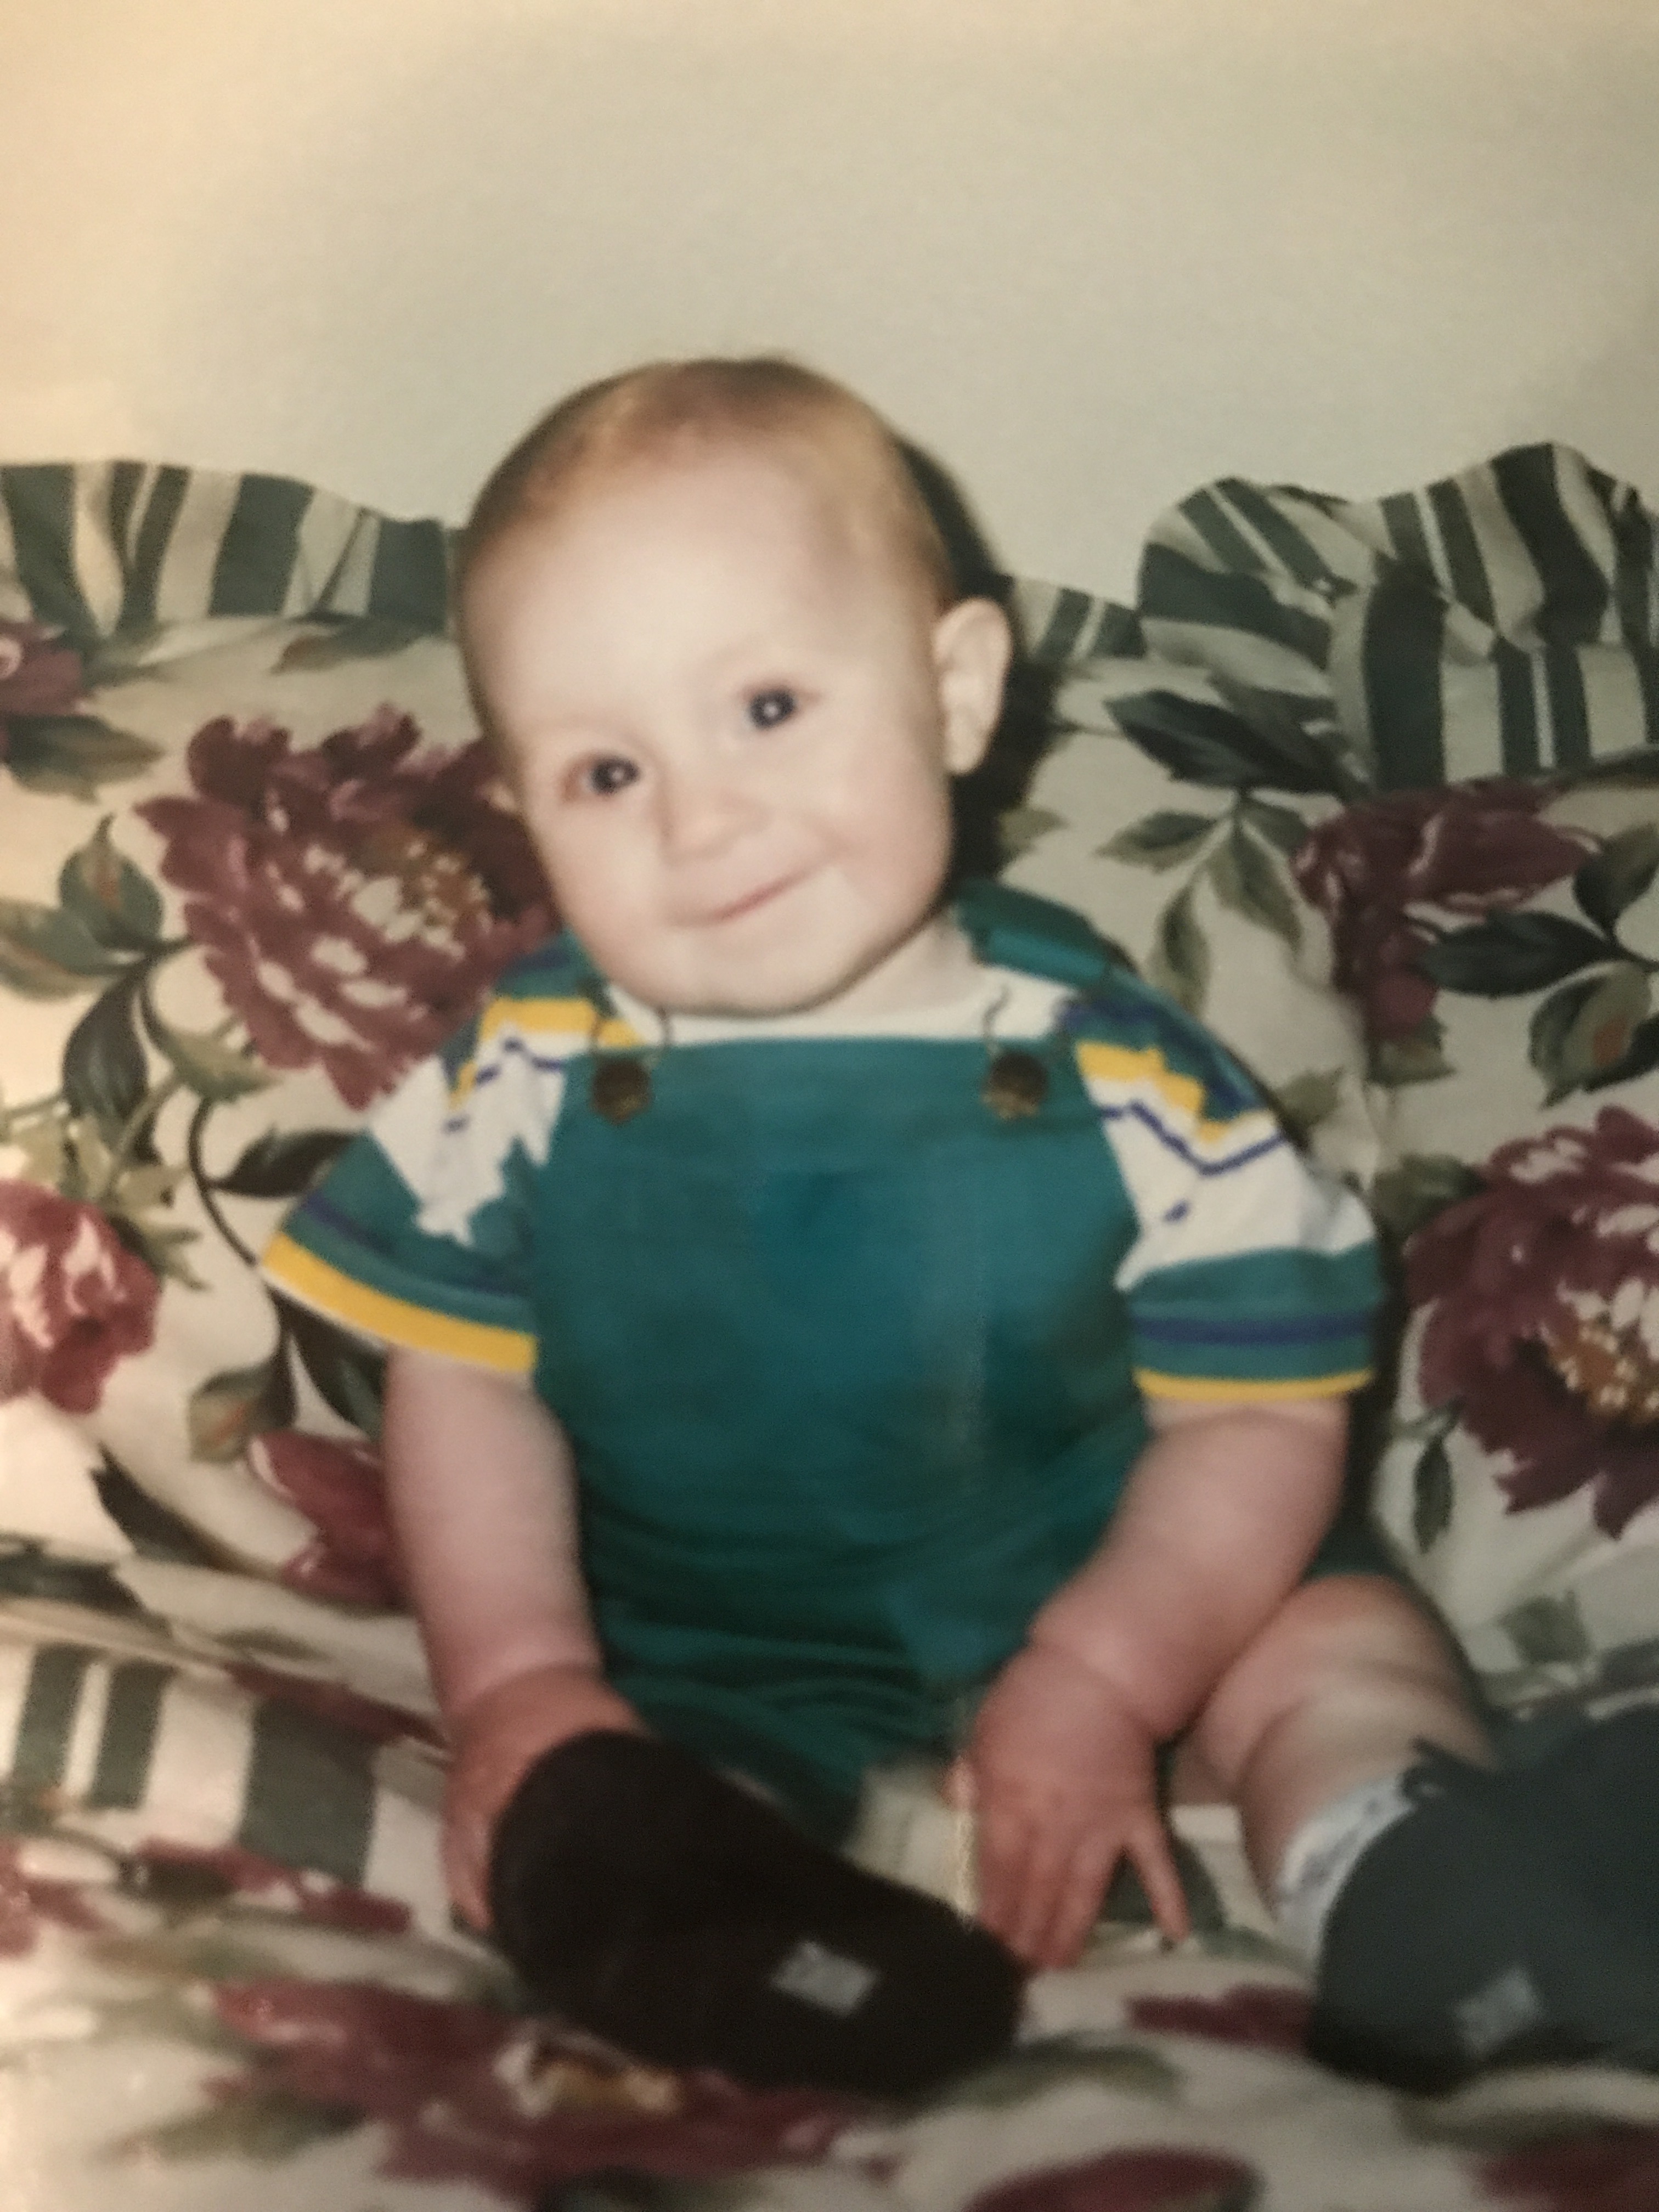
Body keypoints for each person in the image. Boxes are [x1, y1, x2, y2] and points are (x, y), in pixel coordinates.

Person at [263, 357, 1659, 2097]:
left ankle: (1415, 1892)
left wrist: (1104, 1673)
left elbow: (1256, 1410)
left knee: (1333, 1656)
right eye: (606, 771)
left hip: (1144, 1584)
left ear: (956, 691)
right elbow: (465, 1386)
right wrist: (522, 1687)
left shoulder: (1118, 1065)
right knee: (627, 1790)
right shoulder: (521, 1077)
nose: (701, 818)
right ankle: (746, 1950)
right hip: (710, 1640)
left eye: (768, 706)